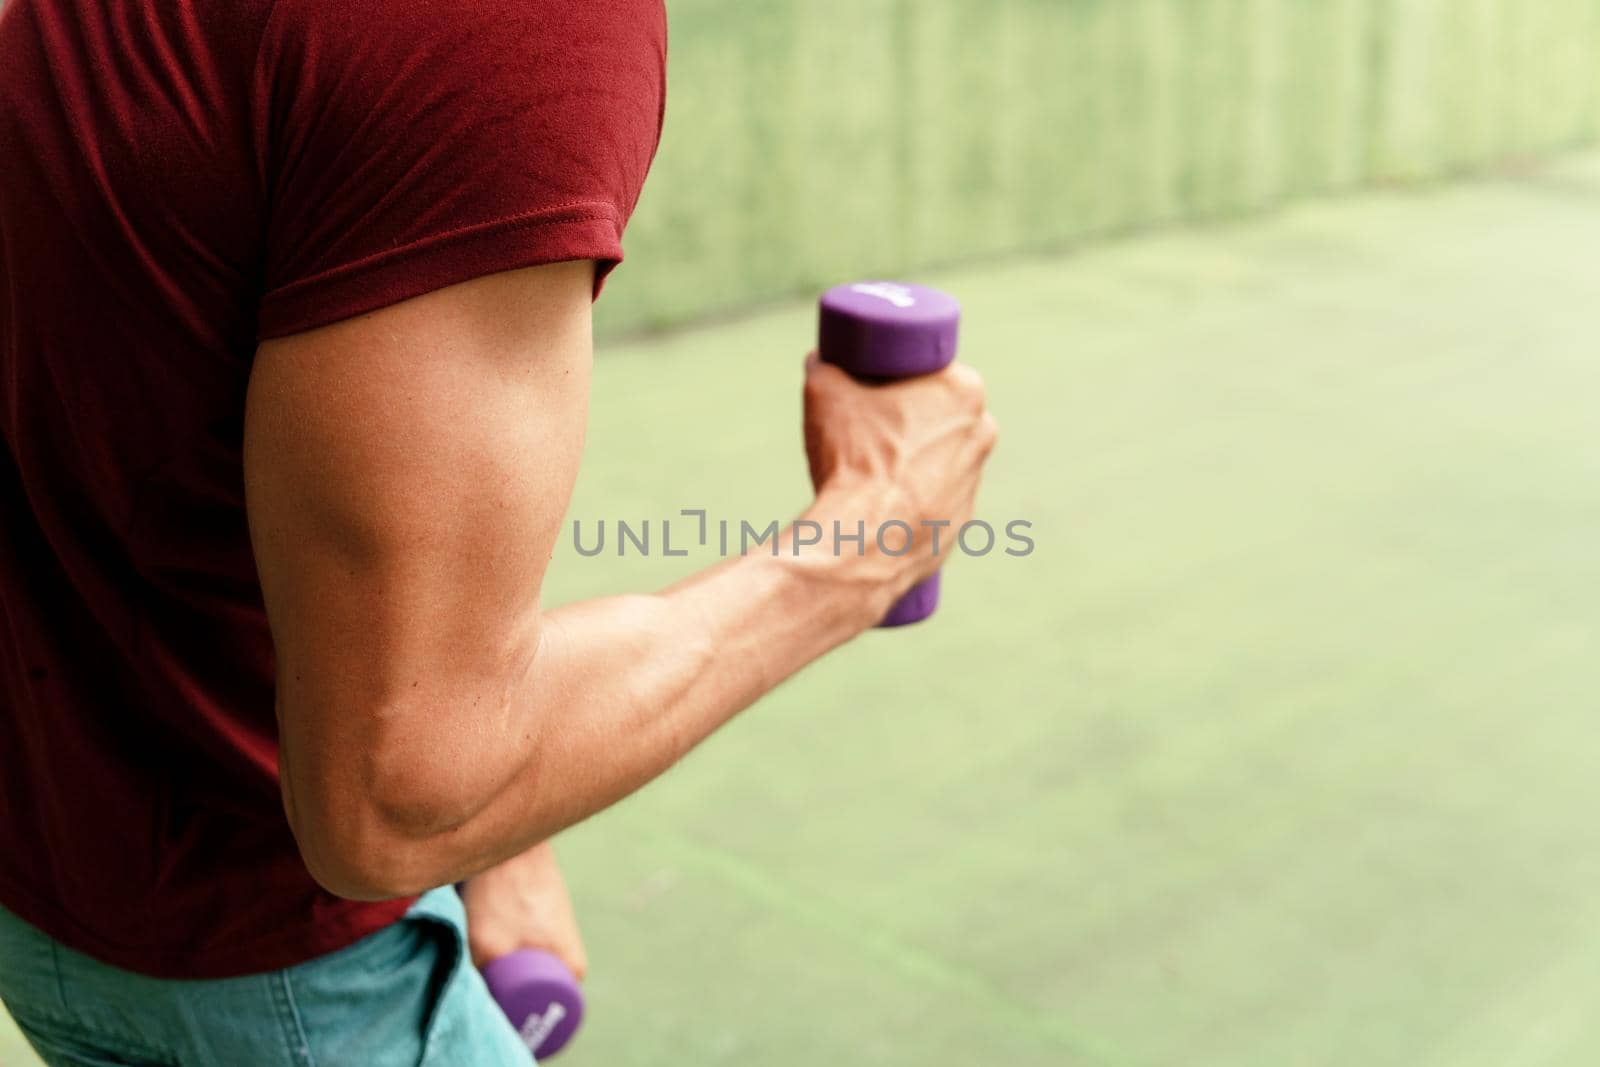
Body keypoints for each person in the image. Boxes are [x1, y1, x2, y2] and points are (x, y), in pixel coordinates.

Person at [0, 0, 997, 1062]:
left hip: (49, 866)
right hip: (273, 963)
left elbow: (176, 346)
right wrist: (865, 543)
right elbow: (393, 798)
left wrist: (501, 842)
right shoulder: (515, 24)